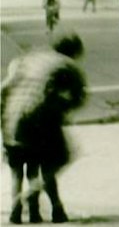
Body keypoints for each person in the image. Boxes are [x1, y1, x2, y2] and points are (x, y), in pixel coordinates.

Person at [2, 29, 87, 224]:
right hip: (40, 119)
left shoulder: (31, 59)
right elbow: (79, 97)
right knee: (57, 160)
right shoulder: (67, 65)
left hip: (13, 121)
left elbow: (4, 89)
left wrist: (4, 126)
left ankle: (20, 211)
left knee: (21, 170)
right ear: (74, 51)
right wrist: (64, 108)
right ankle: (37, 198)